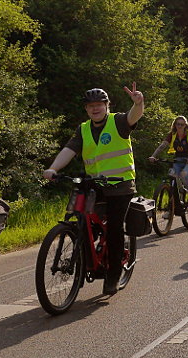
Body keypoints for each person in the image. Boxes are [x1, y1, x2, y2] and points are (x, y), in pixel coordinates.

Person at [43, 84, 144, 295]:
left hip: (121, 185)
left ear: (107, 105)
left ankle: (113, 275)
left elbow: (134, 116)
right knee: (79, 217)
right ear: (86, 109)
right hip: (94, 184)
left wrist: (138, 103)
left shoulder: (118, 121)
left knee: (115, 228)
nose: (95, 109)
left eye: (99, 104)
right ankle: (86, 255)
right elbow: (69, 150)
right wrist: (53, 168)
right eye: (90, 106)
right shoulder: (84, 129)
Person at [148, 116, 188, 206]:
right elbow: (162, 146)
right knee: (172, 175)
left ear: (185, 126)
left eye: (182, 124)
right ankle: (173, 205)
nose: (179, 126)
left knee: (183, 175)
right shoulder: (172, 135)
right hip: (178, 160)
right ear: (174, 125)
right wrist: (153, 156)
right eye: (178, 124)